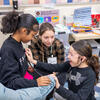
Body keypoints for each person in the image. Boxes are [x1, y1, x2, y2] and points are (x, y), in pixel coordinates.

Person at [26, 40, 100, 100]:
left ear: (82, 58)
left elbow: (79, 98)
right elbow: (53, 67)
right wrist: (33, 61)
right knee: (56, 95)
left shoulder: (90, 75)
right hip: (71, 95)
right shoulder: (71, 64)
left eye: (71, 54)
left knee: (58, 93)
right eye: (68, 53)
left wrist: (58, 87)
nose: (68, 56)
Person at [0, 11, 53, 93]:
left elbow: (18, 64)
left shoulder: (18, 43)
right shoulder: (8, 49)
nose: (32, 38)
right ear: (24, 31)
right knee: (46, 87)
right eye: (32, 35)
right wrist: (35, 83)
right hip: (13, 88)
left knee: (50, 78)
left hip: (24, 77)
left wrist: (27, 66)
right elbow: (9, 82)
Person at [28, 22, 67, 100]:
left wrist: (55, 74)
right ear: (39, 36)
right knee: (34, 75)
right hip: (41, 69)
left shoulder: (58, 45)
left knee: (63, 74)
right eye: (46, 37)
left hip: (56, 71)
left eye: (52, 37)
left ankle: (54, 92)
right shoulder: (34, 42)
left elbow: (61, 66)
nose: (50, 40)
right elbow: (36, 63)